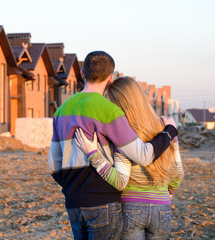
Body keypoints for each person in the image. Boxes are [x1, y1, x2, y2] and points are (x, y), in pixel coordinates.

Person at [48, 51, 178, 240]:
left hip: (74, 203)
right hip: (104, 202)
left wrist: (73, 189)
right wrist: (169, 132)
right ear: (110, 78)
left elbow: (53, 166)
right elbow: (143, 155)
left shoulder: (61, 111)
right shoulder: (110, 111)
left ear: (83, 75)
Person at [74, 77, 184, 239]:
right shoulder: (166, 129)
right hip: (162, 208)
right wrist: (168, 194)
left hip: (131, 208)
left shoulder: (123, 136)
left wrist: (94, 156)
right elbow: (178, 173)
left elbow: (120, 181)